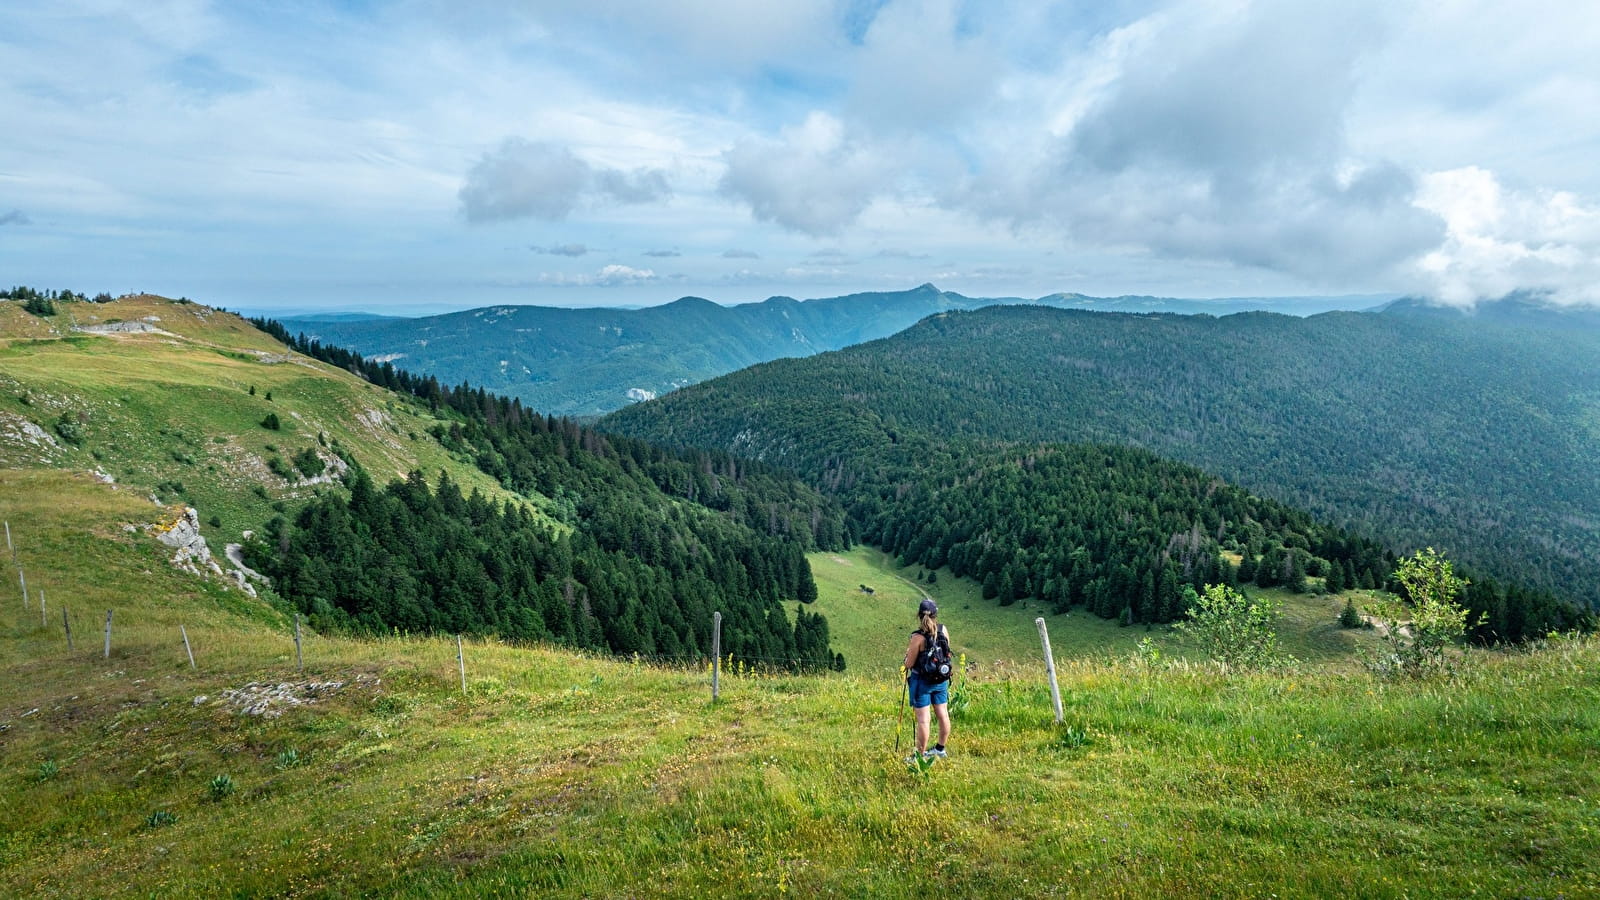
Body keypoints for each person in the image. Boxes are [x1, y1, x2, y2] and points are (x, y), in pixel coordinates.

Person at [903, 597, 952, 761]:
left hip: (922, 682)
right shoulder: (943, 630)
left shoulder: (918, 637)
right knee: (943, 715)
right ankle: (940, 749)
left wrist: (906, 658)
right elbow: (947, 653)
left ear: (918, 615)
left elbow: (909, 663)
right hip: (941, 679)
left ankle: (919, 756)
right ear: (935, 614)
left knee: (924, 721)